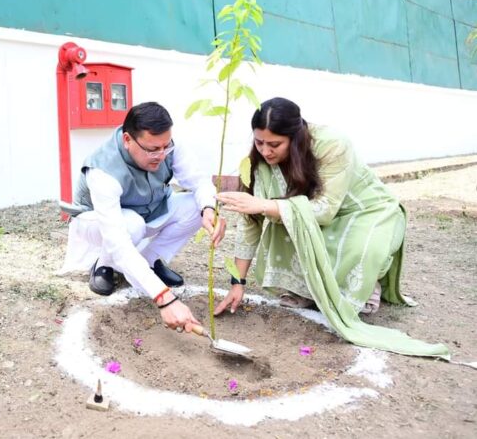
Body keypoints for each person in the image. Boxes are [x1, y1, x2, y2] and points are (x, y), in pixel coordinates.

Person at [213, 97, 449, 359]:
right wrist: (238, 282)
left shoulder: (333, 144)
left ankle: (366, 286)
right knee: (282, 214)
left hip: (365, 211)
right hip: (310, 212)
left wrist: (266, 205)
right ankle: (305, 290)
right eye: (259, 142)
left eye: (275, 144)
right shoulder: (260, 162)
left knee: (294, 216)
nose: (266, 151)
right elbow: (251, 222)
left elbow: (325, 210)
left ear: (295, 137)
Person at [61, 102, 225, 331]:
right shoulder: (103, 171)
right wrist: (164, 298)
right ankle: (104, 265)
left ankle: (149, 261)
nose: (160, 155)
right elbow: (118, 241)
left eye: (165, 147)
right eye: (152, 150)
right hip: (97, 222)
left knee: (195, 207)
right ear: (128, 140)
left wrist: (209, 209)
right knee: (131, 226)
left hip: (149, 210)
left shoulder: (168, 146)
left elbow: (198, 182)